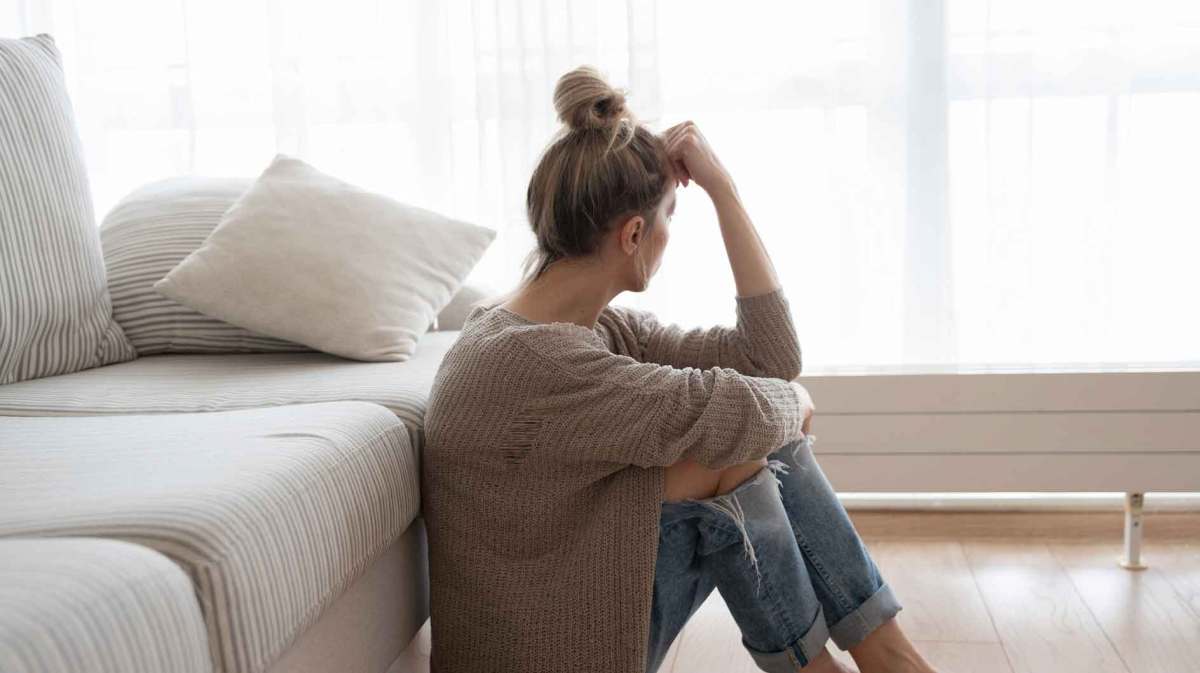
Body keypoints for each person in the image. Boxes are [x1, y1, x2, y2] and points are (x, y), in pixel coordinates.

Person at [421, 65, 942, 673]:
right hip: (549, 649)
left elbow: (767, 358)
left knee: (739, 446)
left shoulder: (585, 330)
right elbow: (754, 402)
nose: (670, 235)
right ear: (635, 233)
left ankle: (879, 660)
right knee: (735, 450)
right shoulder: (537, 364)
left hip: (566, 593)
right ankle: (885, 660)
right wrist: (793, 401)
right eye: (672, 215)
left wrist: (725, 192)